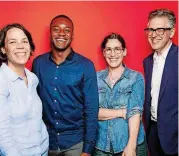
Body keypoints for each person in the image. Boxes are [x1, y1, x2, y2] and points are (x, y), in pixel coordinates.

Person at [32, 15, 99, 156]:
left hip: (75, 144)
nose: (61, 34)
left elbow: (92, 111)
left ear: (72, 35)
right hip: (45, 142)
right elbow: (32, 103)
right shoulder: (38, 63)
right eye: (56, 29)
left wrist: (87, 150)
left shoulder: (85, 66)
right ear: (50, 33)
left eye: (66, 30)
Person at [93, 33, 148, 156]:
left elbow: (134, 112)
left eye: (117, 49)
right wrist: (123, 112)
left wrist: (131, 145)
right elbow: (92, 112)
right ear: (103, 53)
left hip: (130, 144)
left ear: (124, 51)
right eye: (108, 49)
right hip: (101, 147)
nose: (113, 54)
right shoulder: (95, 78)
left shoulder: (136, 78)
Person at [0, 23, 49, 156]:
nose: (20, 46)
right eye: (12, 42)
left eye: (24, 41)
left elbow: (36, 119)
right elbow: (3, 136)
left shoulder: (33, 79)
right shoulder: (2, 80)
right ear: (4, 49)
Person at [143, 8, 178, 156]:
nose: (153, 34)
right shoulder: (147, 62)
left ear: (172, 32)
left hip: (175, 138)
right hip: (153, 134)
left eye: (160, 30)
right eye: (150, 29)